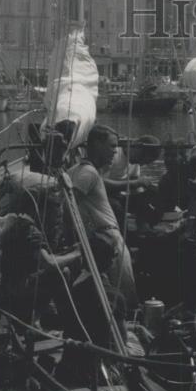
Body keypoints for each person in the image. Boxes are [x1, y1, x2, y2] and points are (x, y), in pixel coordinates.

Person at [66, 124, 138, 309]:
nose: (115, 151)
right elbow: (70, 206)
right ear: (97, 144)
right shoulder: (88, 173)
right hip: (108, 239)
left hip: (96, 239)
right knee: (125, 293)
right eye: (112, 146)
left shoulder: (75, 169)